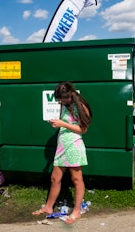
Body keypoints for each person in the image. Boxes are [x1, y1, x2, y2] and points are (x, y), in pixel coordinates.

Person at [32, 81, 92, 224]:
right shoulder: (64, 105)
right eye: (59, 99)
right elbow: (65, 124)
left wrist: (63, 124)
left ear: (70, 94)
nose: (61, 101)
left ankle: (77, 211)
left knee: (77, 179)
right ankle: (48, 207)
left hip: (74, 146)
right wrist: (56, 124)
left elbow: (83, 130)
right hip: (62, 145)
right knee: (55, 178)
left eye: (63, 98)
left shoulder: (81, 106)